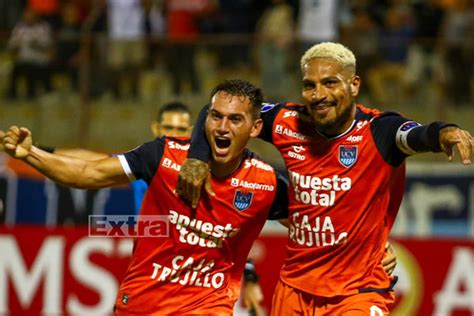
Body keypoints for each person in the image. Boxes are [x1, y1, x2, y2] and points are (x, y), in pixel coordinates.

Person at [177, 42, 474, 315]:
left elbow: (419, 135)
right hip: (294, 289)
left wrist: (445, 132)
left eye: (330, 83)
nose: (319, 95)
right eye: (310, 85)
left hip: (358, 292)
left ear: (354, 84)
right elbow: (215, 110)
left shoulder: (379, 131)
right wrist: (197, 158)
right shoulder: (286, 122)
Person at [3, 79, 290, 314]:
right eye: (216, 116)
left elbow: (310, 226)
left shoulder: (266, 183)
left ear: (255, 128)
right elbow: (88, 170)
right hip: (142, 303)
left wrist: (251, 274)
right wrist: (31, 153)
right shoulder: (162, 154)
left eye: (235, 119)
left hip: (207, 307)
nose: (223, 127)